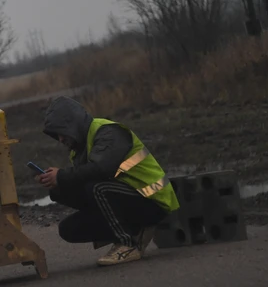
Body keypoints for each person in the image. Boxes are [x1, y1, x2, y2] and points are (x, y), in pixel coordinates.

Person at [37, 96, 179, 266]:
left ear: (72, 123)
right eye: (57, 135)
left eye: (61, 132)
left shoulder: (109, 132)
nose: (60, 139)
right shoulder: (79, 148)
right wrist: (57, 185)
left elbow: (102, 169)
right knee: (68, 228)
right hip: (129, 198)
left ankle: (127, 244)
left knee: (96, 187)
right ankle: (132, 230)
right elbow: (82, 182)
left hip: (153, 198)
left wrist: (61, 176)